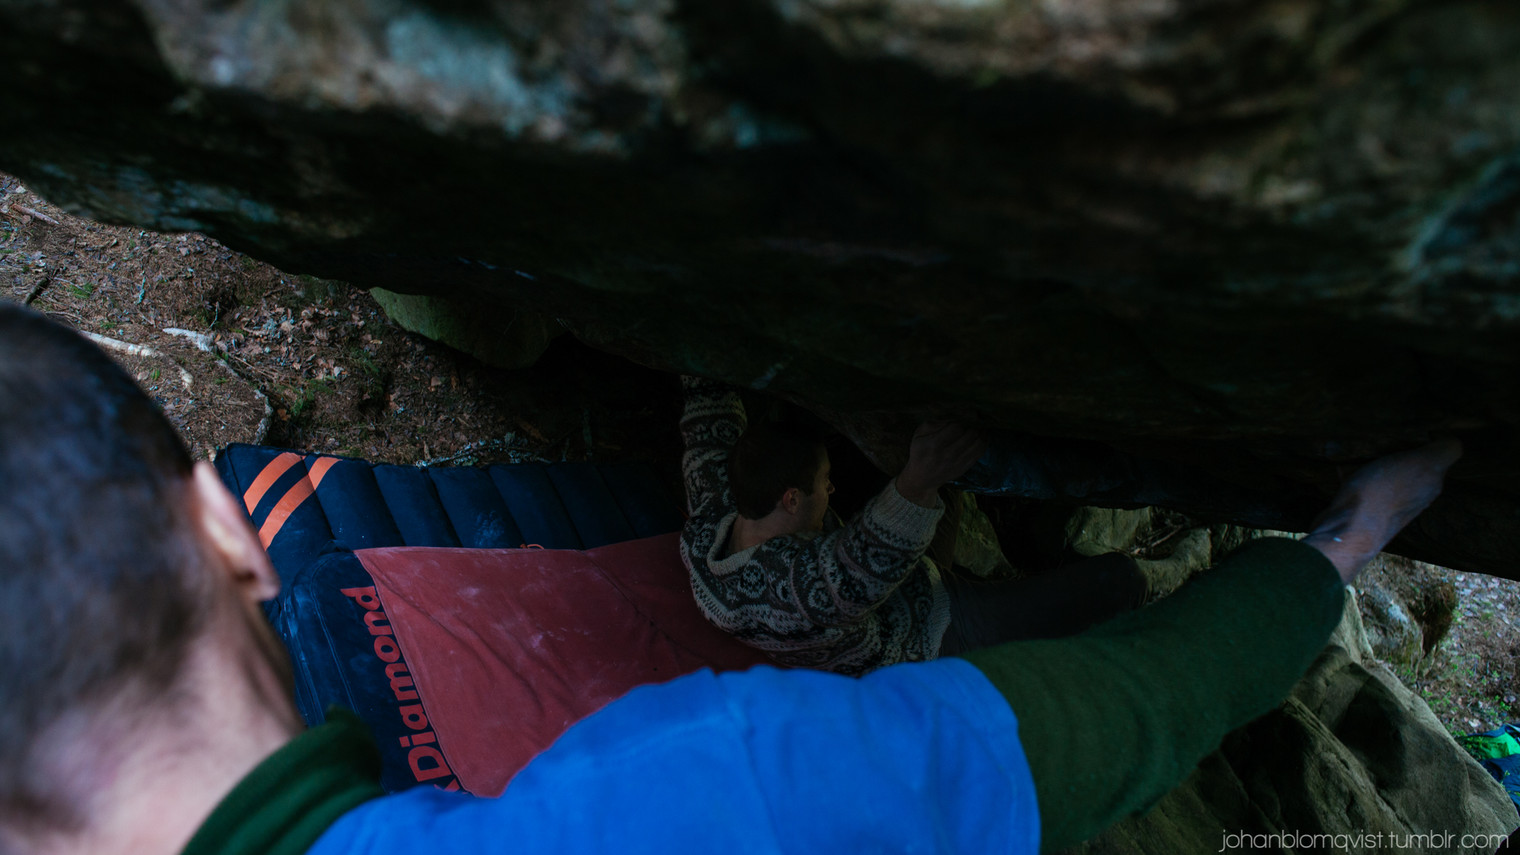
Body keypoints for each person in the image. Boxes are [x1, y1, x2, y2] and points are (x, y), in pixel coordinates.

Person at [0, 304, 1462, 855]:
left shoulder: (715, 527)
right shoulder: (723, 781)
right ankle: (1129, 574)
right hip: (899, 633)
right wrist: (1332, 552)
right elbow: (1084, 715)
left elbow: (714, 441)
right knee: (1078, 607)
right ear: (229, 528)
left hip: (853, 598)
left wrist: (721, 365)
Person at [679, 376, 1146, 674]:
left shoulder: (711, 523)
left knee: (940, 479)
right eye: (824, 482)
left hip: (898, 586)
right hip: (928, 636)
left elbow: (707, 418)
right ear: (792, 498)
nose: (832, 489)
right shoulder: (799, 591)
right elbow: (861, 563)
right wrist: (918, 480)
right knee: (1118, 579)